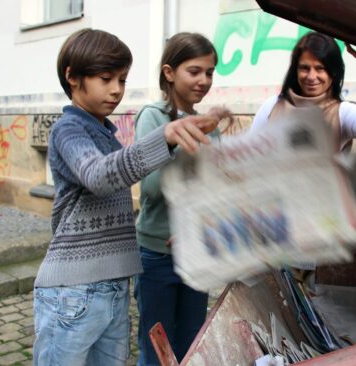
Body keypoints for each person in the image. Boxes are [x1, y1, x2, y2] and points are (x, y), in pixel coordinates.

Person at [33, 28, 220, 366]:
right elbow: (99, 176)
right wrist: (164, 138)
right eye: (106, 79)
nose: (117, 90)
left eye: (122, 79)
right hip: (73, 290)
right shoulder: (68, 129)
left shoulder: (106, 134)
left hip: (113, 287)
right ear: (72, 77)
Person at [134, 32, 231, 366]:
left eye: (210, 72)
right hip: (157, 255)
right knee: (157, 350)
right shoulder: (153, 117)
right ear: (169, 72)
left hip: (195, 252)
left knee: (191, 344)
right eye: (195, 71)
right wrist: (179, 142)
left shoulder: (210, 127)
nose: (204, 80)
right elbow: (150, 188)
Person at [250, 31, 356, 152]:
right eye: (305, 68)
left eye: (320, 69)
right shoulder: (272, 106)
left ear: (334, 72)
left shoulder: (341, 113)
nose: (311, 77)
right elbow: (251, 152)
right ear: (296, 70)